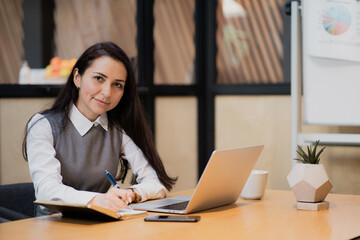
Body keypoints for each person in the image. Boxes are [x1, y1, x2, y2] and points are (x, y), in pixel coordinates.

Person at [23, 41, 177, 215]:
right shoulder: (43, 125)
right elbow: (47, 191)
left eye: (117, 84)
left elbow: (157, 182)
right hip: (54, 227)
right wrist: (97, 199)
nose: (107, 92)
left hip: (101, 225)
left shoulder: (117, 128)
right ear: (77, 78)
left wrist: (130, 194)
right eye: (99, 78)